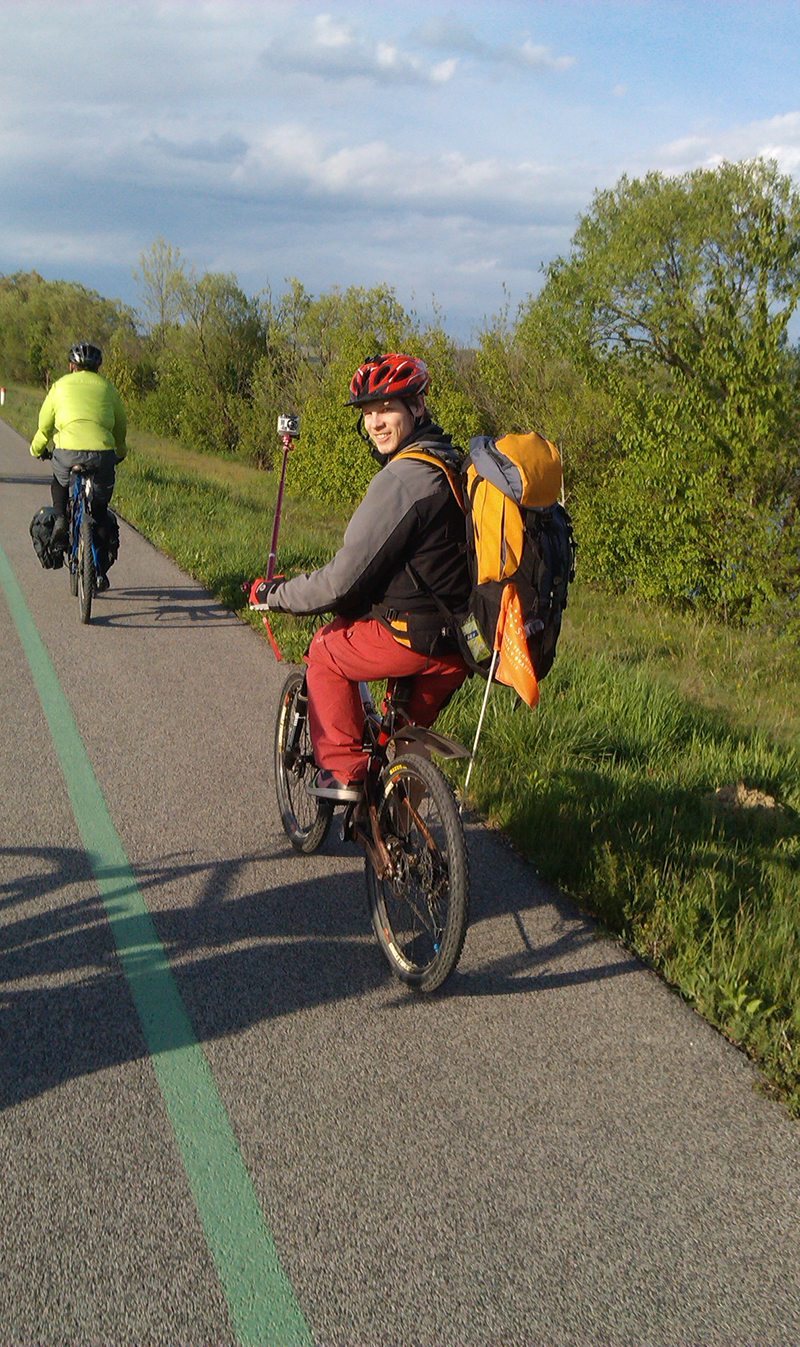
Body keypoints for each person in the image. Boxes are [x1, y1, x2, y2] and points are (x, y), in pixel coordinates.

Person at [250, 353, 471, 801]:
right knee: (402, 737)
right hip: (461, 645)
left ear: (417, 406)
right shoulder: (452, 463)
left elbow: (340, 582)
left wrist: (275, 594)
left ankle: (344, 772)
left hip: (411, 640)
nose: (375, 422)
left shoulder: (403, 478)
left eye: (387, 409)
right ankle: (404, 837)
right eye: (368, 413)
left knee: (326, 650)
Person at [30, 342, 127, 589]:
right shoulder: (108, 388)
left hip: (67, 454)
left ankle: (61, 518)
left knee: (59, 479)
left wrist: (37, 449)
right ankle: (99, 568)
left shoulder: (60, 386)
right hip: (102, 456)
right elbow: (120, 426)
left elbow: (45, 426)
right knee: (100, 511)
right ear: (97, 368)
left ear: (72, 366)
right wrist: (121, 451)